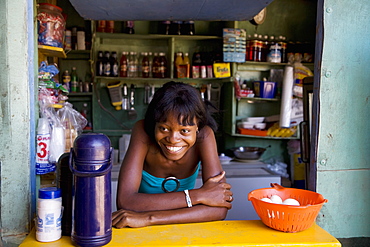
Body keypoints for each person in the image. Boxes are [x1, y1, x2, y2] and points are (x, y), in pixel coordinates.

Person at [112, 81, 233, 228]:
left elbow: (220, 208)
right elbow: (126, 202)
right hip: (141, 231)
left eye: (184, 131)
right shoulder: (143, 131)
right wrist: (199, 196)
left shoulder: (205, 136)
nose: (172, 139)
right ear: (154, 123)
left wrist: (149, 218)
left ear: (198, 126)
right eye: (164, 128)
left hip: (168, 228)